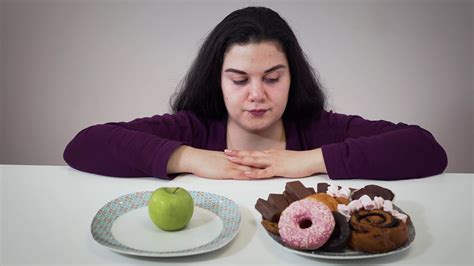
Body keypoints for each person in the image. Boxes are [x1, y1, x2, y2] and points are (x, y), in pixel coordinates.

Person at [63, 6, 447, 181]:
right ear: (217, 80)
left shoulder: (319, 128)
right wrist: (191, 158)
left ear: (293, 77)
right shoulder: (191, 128)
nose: (257, 95)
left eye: (273, 77)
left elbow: (426, 149)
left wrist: (308, 161)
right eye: (239, 79)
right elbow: (83, 145)